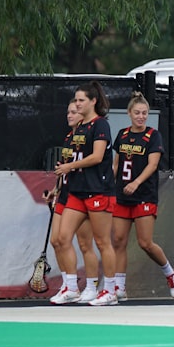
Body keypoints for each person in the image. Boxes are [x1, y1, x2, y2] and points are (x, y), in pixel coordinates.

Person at [50, 80, 117, 305]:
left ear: (93, 101)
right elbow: (71, 159)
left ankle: (109, 290)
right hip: (77, 191)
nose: (77, 104)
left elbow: (97, 157)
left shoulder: (100, 125)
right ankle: (70, 287)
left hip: (98, 190)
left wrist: (69, 167)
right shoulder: (79, 129)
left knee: (102, 242)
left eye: (81, 100)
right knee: (61, 238)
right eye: (75, 100)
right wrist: (61, 179)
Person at [111, 91, 174, 299]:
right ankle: (119, 287)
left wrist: (136, 182)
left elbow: (152, 165)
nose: (141, 116)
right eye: (137, 113)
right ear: (129, 113)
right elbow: (116, 164)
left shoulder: (153, 135)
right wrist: (109, 184)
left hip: (144, 194)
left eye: (144, 113)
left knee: (145, 243)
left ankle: (170, 273)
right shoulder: (122, 134)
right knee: (119, 241)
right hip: (122, 195)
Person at [47, 99, 101, 300]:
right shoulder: (70, 137)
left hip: (80, 195)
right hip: (65, 193)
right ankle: (69, 284)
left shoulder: (89, 136)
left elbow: (92, 161)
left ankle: (91, 286)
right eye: (68, 112)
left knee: (85, 244)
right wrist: (55, 189)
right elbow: (66, 169)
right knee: (57, 240)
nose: (70, 115)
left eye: (74, 111)